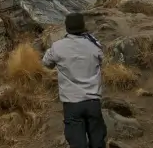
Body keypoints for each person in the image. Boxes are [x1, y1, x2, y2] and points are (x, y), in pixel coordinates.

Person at [42, 13, 107, 148]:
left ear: (67, 28)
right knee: (98, 141)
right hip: (92, 101)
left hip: (72, 103)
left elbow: (46, 62)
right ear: (83, 27)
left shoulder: (58, 46)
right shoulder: (93, 44)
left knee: (77, 143)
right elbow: (102, 59)